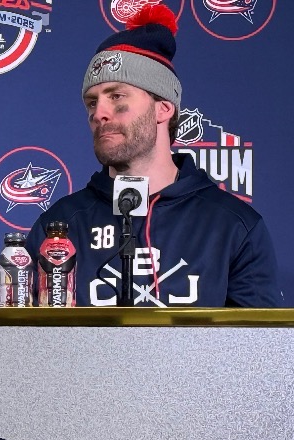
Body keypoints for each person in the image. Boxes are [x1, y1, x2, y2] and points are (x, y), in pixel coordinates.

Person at [26, 3, 281, 307]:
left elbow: (257, 349)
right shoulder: (59, 227)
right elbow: (27, 345)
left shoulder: (233, 226)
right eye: (92, 103)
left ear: (163, 108)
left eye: (117, 97)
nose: (99, 113)